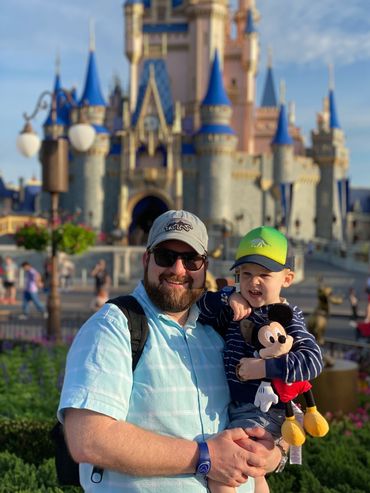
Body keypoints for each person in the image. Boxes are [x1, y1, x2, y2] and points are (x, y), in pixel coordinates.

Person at [58, 210, 284, 492]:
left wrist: (275, 456)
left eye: (191, 259)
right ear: (146, 259)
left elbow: (271, 402)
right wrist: (206, 457)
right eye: (166, 256)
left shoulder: (222, 329)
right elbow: (88, 438)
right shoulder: (114, 326)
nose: (178, 269)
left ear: (205, 266)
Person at [198, 226, 324, 493]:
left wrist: (263, 368)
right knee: (255, 475)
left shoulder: (286, 317)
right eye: (246, 274)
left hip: (266, 411)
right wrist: (228, 296)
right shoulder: (238, 308)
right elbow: (200, 307)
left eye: (264, 275)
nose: (253, 282)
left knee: (223, 473)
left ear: (287, 279)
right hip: (241, 407)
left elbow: (312, 362)